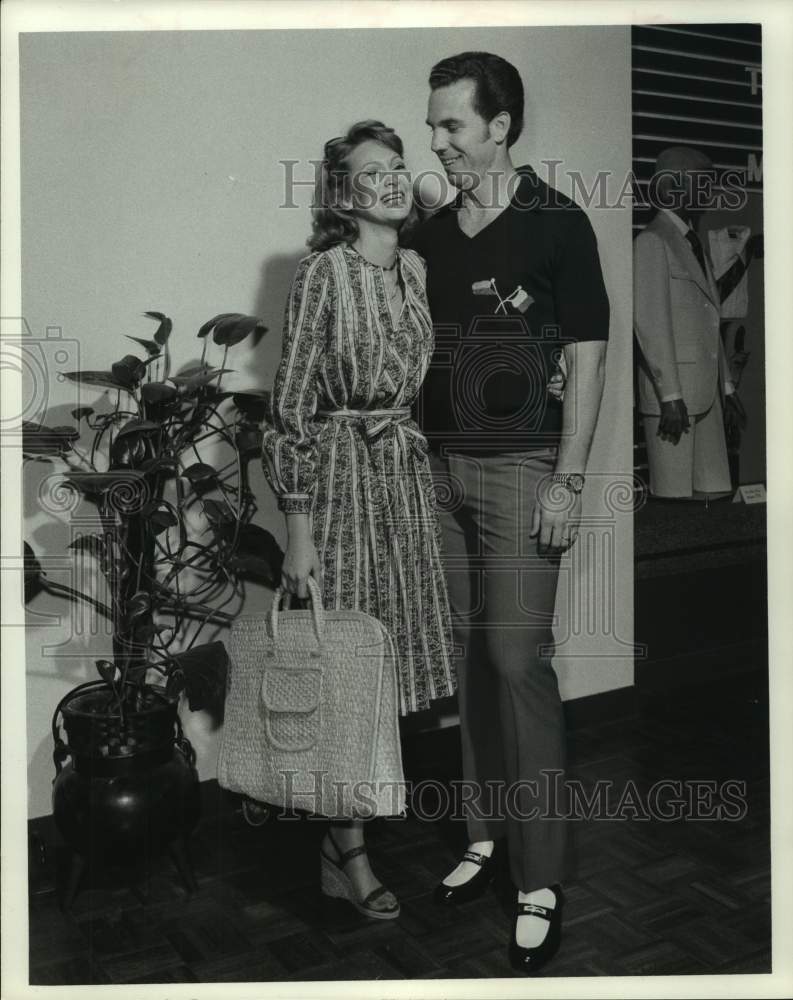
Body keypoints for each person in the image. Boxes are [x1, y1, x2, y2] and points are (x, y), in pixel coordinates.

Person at [410, 52, 609, 973]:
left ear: (500, 126)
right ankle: (484, 837)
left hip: (525, 467)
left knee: (515, 662)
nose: (437, 139)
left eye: (452, 123)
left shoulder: (558, 222)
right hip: (441, 471)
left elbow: (591, 358)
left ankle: (540, 877)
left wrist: (568, 479)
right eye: (433, 122)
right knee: (471, 666)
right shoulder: (436, 233)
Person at [261, 120, 456, 921]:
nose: (389, 178)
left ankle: (349, 833)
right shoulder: (321, 273)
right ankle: (345, 853)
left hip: (400, 482)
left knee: (388, 671)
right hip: (338, 485)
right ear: (341, 194)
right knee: (345, 670)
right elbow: (289, 409)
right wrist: (299, 531)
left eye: (397, 165)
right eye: (368, 170)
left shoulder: (414, 267)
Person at [633, 145, 750, 499]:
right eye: (702, 184)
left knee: (713, 494)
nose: (710, 193)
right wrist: (670, 395)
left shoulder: (692, 241)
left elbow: (707, 319)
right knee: (674, 500)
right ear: (672, 188)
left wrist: (727, 387)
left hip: (708, 395)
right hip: (674, 401)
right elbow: (650, 326)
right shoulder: (651, 241)